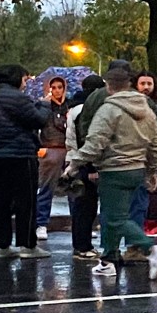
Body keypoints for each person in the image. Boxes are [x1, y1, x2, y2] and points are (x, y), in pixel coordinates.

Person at [66, 65, 157, 279]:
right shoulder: (145, 107)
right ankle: (108, 259)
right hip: (138, 168)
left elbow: (94, 143)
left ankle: (150, 249)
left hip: (114, 169)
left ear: (108, 86)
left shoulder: (108, 110)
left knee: (115, 218)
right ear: (130, 84)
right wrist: (152, 171)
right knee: (123, 214)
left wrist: (74, 165)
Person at [0, 64, 51, 259]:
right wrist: (45, 104)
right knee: (26, 201)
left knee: (1, 201)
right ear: (16, 79)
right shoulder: (19, 98)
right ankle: (27, 245)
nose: (25, 84)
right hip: (21, 155)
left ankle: (1, 245)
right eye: (25, 80)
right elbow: (38, 120)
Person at [65, 74, 105, 261]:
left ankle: (80, 245)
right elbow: (85, 139)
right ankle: (83, 246)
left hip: (74, 159)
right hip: (84, 163)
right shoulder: (86, 110)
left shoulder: (74, 108)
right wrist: (91, 168)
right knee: (86, 207)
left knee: (81, 206)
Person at [132, 70, 157, 238]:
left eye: (149, 83)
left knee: (153, 187)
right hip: (133, 152)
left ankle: (152, 222)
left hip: (152, 152)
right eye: (142, 83)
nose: (146, 87)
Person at [34, 75, 70, 242]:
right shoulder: (43, 106)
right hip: (50, 149)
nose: (56, 91)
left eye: (59, 87)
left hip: (68, 149)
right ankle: (41, 223)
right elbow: (36, 124)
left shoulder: (69, 105)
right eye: (53, 87)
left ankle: (78, 224)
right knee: (46, 188)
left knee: (74, 188)